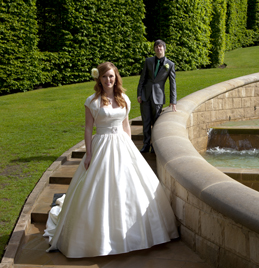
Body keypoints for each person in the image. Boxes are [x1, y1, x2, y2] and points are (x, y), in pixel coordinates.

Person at [43, 62, 179, 258]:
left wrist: (131, 147)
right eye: (105, 76)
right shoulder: (92, 101)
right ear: (99, 78)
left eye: (112, 77)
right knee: (99, 188)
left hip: (122, 144)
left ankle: (135, 236)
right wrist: (88, 154)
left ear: (116, 79)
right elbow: (88, 129)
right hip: (102, 145)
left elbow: (126, 125)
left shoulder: (123, 98)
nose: (108, 80)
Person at [137, 39, 177, 153]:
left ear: (164, 48)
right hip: (145, 95)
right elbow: (142, 79)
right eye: (156, 47)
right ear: (154, 49)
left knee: (156, 123)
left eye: (160, 47)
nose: (158, 48)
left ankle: (155, 146)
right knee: (146, 121)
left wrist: (173, 101)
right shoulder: (148, 61)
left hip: (158, 97)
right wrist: (139, 93)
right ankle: (146, 145)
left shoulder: (170, 65)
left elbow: (172, 84)